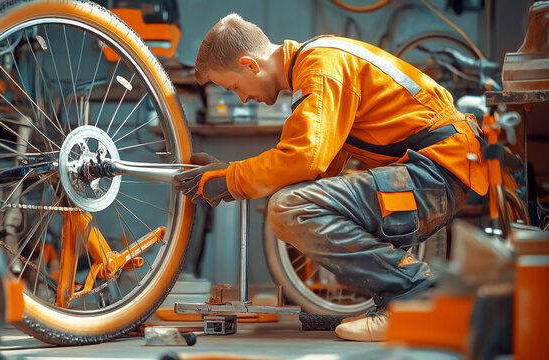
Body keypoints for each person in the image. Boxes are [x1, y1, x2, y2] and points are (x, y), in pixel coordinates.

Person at [173, 13, 488, 342]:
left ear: (251, 65)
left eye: (234, 86)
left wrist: (232, 178)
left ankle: (419, 296)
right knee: (300, 199)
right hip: (434, 171)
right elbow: (318, 166)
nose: (241, 97)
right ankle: (404, 300)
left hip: (435, 172)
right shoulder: (319, 61)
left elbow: (303, 158)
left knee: (290, 209)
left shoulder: (319, 66)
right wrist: (229, 172)